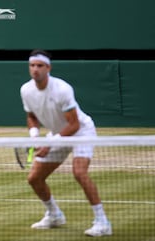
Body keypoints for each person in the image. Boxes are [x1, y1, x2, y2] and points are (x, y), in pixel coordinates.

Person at [20, 50, 112, 237]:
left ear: (48, 68)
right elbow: (31, 116)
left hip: (81, 132)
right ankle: (54, 215)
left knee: (79, 172)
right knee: (34, 179)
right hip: (57, 134)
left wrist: (49, 144)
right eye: (32, 65)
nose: (35, 69)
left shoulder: (62, 89)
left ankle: (102, 222)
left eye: (40, 65)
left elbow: (74, 124)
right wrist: (35, 136)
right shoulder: (26, 90)